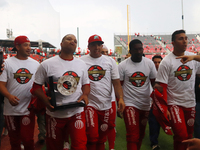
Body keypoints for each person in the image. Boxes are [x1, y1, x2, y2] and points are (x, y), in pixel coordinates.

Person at [31, 34, 90, 150]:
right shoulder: (47, 64)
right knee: (54, 146)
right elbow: (36, 87)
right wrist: (45, 101)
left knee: (80, 145)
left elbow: (86, 84)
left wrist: (85, 94)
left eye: (75, 40)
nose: (72, 41)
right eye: (69, 39)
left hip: (76, 112)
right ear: (61, 44)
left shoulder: (82, 64)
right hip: (55, 114)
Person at [154, 29, 200, 150]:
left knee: (189, 136)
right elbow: (161, 87)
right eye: (181, 39)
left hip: (190, 103)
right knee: (181, 135)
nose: (185, 41)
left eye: (186, 38)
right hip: (175, 104)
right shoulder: (166, 62)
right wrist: (165, 108)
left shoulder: (193, 58)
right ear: (173, 43)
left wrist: (194, 57)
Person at [80, 34, 125, 150]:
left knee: (102, 136)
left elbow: (116, 83)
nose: (97, 47)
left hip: (106, 104)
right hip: (90, 103)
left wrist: (120, 98)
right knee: (92, 135)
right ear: (88, 47)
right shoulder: (81, 61)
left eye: (99, 45)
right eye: (94, 45)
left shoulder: (110, 61)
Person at [0, 35, 40, 150]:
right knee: (14, 141)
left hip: (28, 108)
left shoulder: (36, 64)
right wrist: (8, 96)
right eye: (26, 45)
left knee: (28, 140)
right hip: (11, 110)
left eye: (30, 45)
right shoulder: (7, 63)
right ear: (17, 46)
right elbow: (1, 84)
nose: (29, 48)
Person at [118, 39, 157, 150]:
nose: (139, 52)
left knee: (140, 134)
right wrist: (119, 101)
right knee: (132, 135)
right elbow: (118, 86)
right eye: (136, 49)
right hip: (130, 103)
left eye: (140, 49)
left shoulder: (149, 63)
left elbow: (154, 83)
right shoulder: (122, 66)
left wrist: (157, 99)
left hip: (145, 103)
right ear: (130, 51)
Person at [101, 44, 117, 150]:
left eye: (107, 52)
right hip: (94, 101)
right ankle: (101, 145)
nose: (105, 55)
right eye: (103, 52)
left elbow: (117, 83)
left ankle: (111, 147)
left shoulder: (112, 63)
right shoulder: (88, 63)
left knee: (111, 125)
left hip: (110, 100)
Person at [148, 55, 162, 150]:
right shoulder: (149, 73)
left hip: (165, 101)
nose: (157, 64)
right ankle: (154, 143)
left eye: (159, 62)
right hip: (153, 102)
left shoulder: (166, 72)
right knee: (153, 123)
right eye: (155, 62)